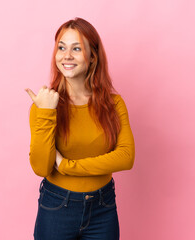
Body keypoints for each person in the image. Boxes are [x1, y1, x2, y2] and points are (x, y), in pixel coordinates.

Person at [25, 17, 135, 240]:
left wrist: (67, 165)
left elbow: (125, 157)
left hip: (102, 207)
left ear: (92, 57)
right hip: (57, 206)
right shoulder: (44, 104)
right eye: (61, 48)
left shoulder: (114, 104)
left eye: (76, 49)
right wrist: (46, 113)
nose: (66, 55)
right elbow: (41, 167)